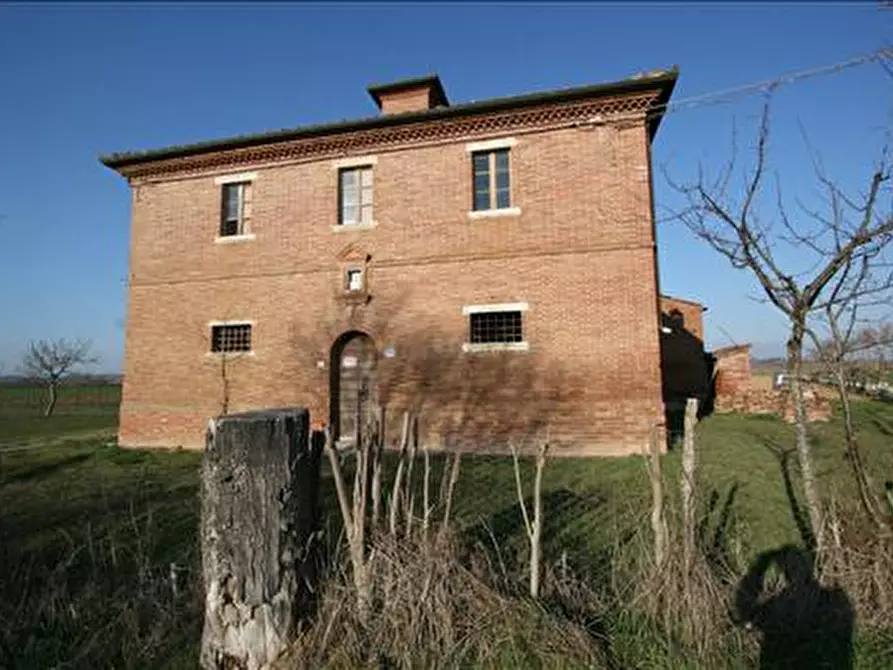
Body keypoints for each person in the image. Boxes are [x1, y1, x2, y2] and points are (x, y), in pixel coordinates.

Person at [734, 545, 853, 669]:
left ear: (788, 573)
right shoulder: (831, 599)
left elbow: (753, 619)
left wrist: (761, 565)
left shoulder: (782, 602)